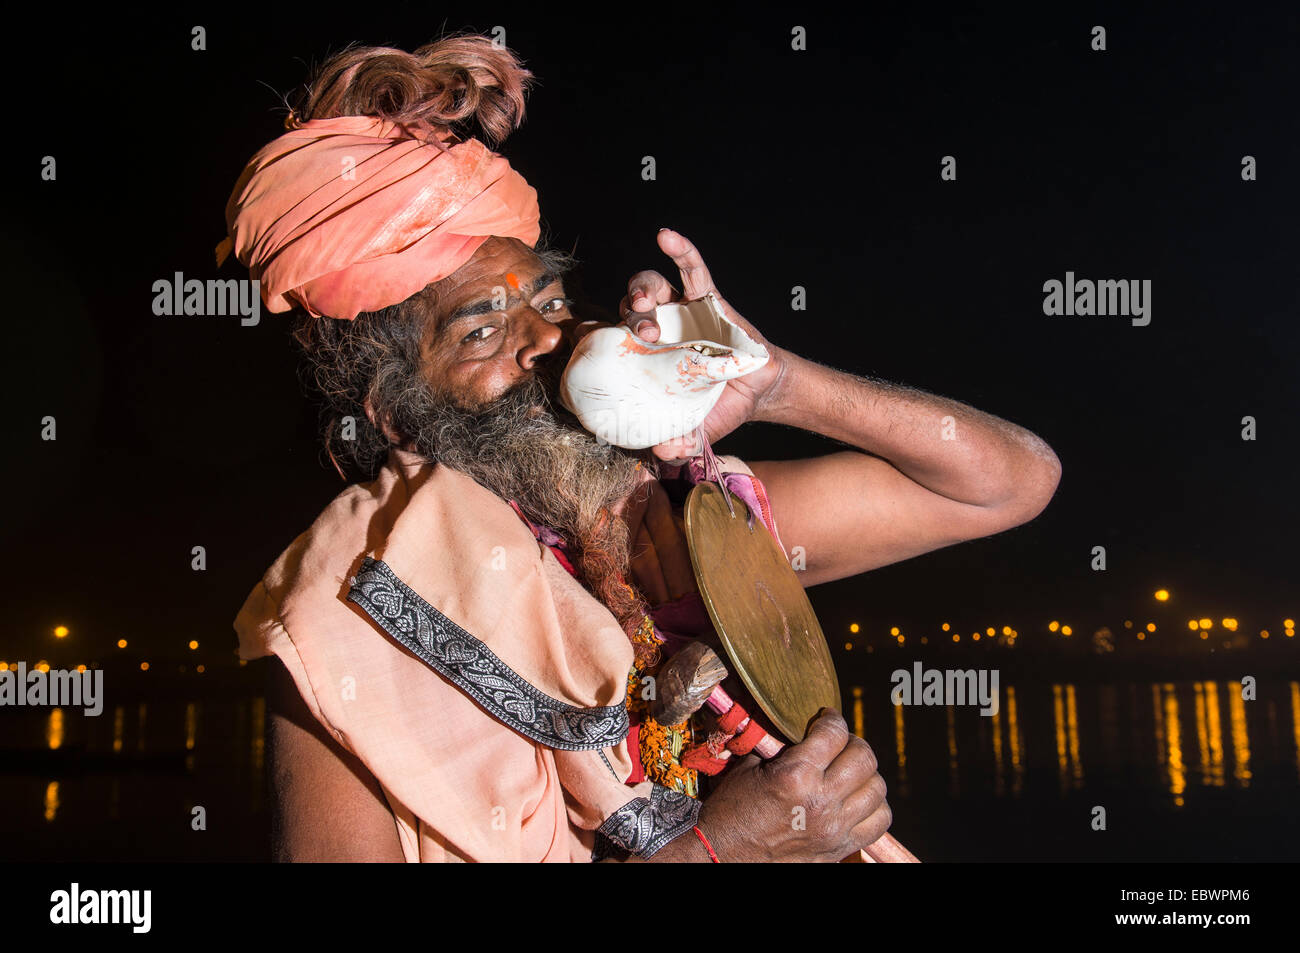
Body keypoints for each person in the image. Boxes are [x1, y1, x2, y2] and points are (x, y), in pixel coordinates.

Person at [222, 34, 1061, 863]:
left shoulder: (671, 526)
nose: (545, 343)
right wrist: (725, 849)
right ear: (397, 417)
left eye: (548, 303)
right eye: (481, 328)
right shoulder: (346, 617)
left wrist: (779, 384)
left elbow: (1008, 482)